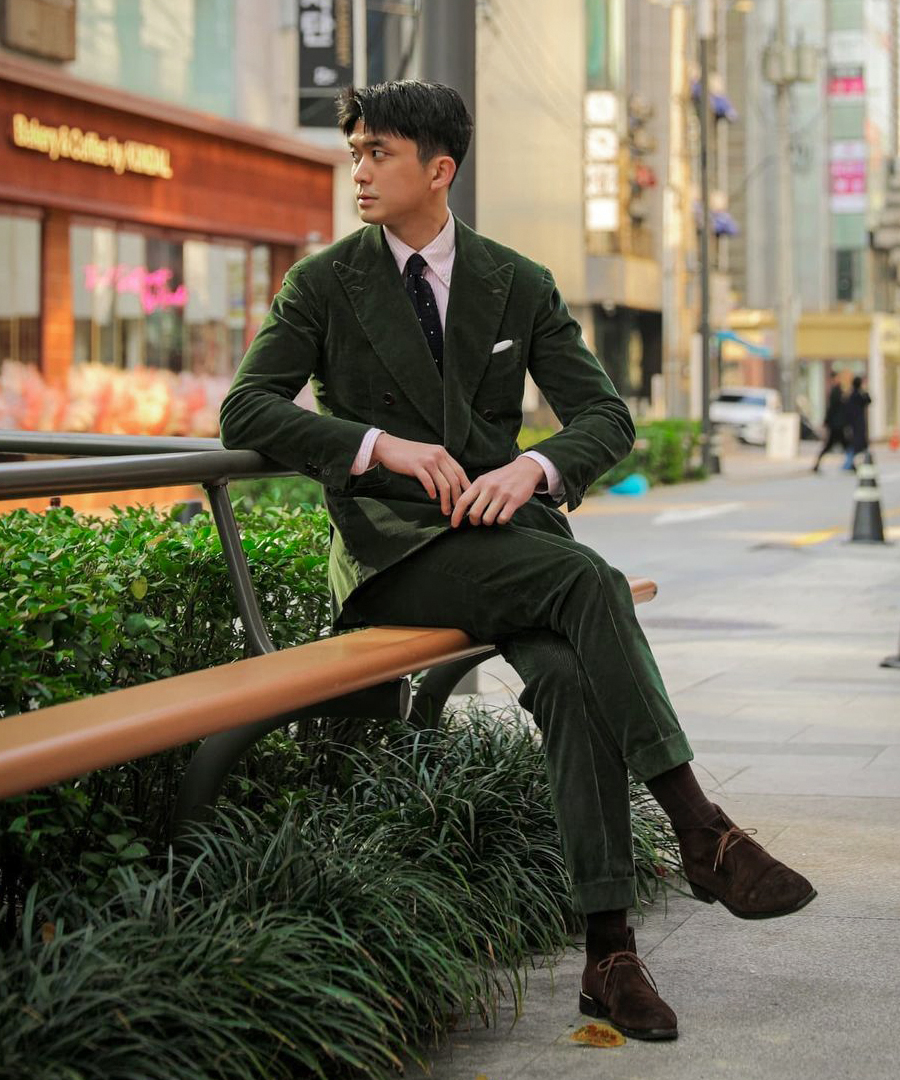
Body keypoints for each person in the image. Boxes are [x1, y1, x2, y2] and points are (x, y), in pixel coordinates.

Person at [219, 80, 816, 1042]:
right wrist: (383, 447)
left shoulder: (516, 280)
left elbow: (604, 416)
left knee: (577, 683)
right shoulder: (324, 283)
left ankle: (608, 954)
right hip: (396, 551)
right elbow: (246, 410)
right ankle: (701, 828)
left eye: (379, 153)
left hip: (508, 541)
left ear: (438, 169)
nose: (359, 170)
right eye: (356, 152)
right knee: (590, 581)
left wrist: (535, 468)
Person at [812, 371, 846, 472]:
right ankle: (817, 465)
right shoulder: (837, 391)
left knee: (842, 445)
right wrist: (827, 421)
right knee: (837, 445)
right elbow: (832, 408)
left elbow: (832, 408)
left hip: (836, 424)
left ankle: (817, 465)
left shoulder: (837, 391)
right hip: (837, 424)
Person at [843, 375, 872, 470]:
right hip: (858, 423)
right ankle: (858, 463)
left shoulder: (850, 395)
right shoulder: (859, 395)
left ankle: (856, 463)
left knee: (857, 444)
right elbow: (868, 400)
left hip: (853, 423)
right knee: (859, 444)